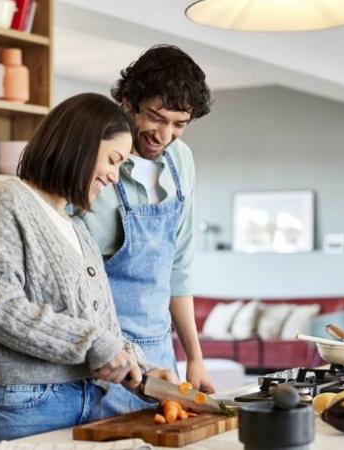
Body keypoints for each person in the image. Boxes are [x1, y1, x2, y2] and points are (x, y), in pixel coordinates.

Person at [0, 93, 177, 449]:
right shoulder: (7, 201)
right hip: (24, 405)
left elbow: (101, 327)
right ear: (81, 145)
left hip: (87, 403)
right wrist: (94, 344)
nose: (113, 176)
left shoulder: (78, 229)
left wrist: (144, 370)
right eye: (112, 160)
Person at [83, 44, 215, 416]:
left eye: (179, 124)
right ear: (127, 101)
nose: (165, 135)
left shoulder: (181, 160)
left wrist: (194, 356)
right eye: (156, 118)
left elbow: (179, 266)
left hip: (159, 358)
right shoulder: (95, 158)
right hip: (102, 358)